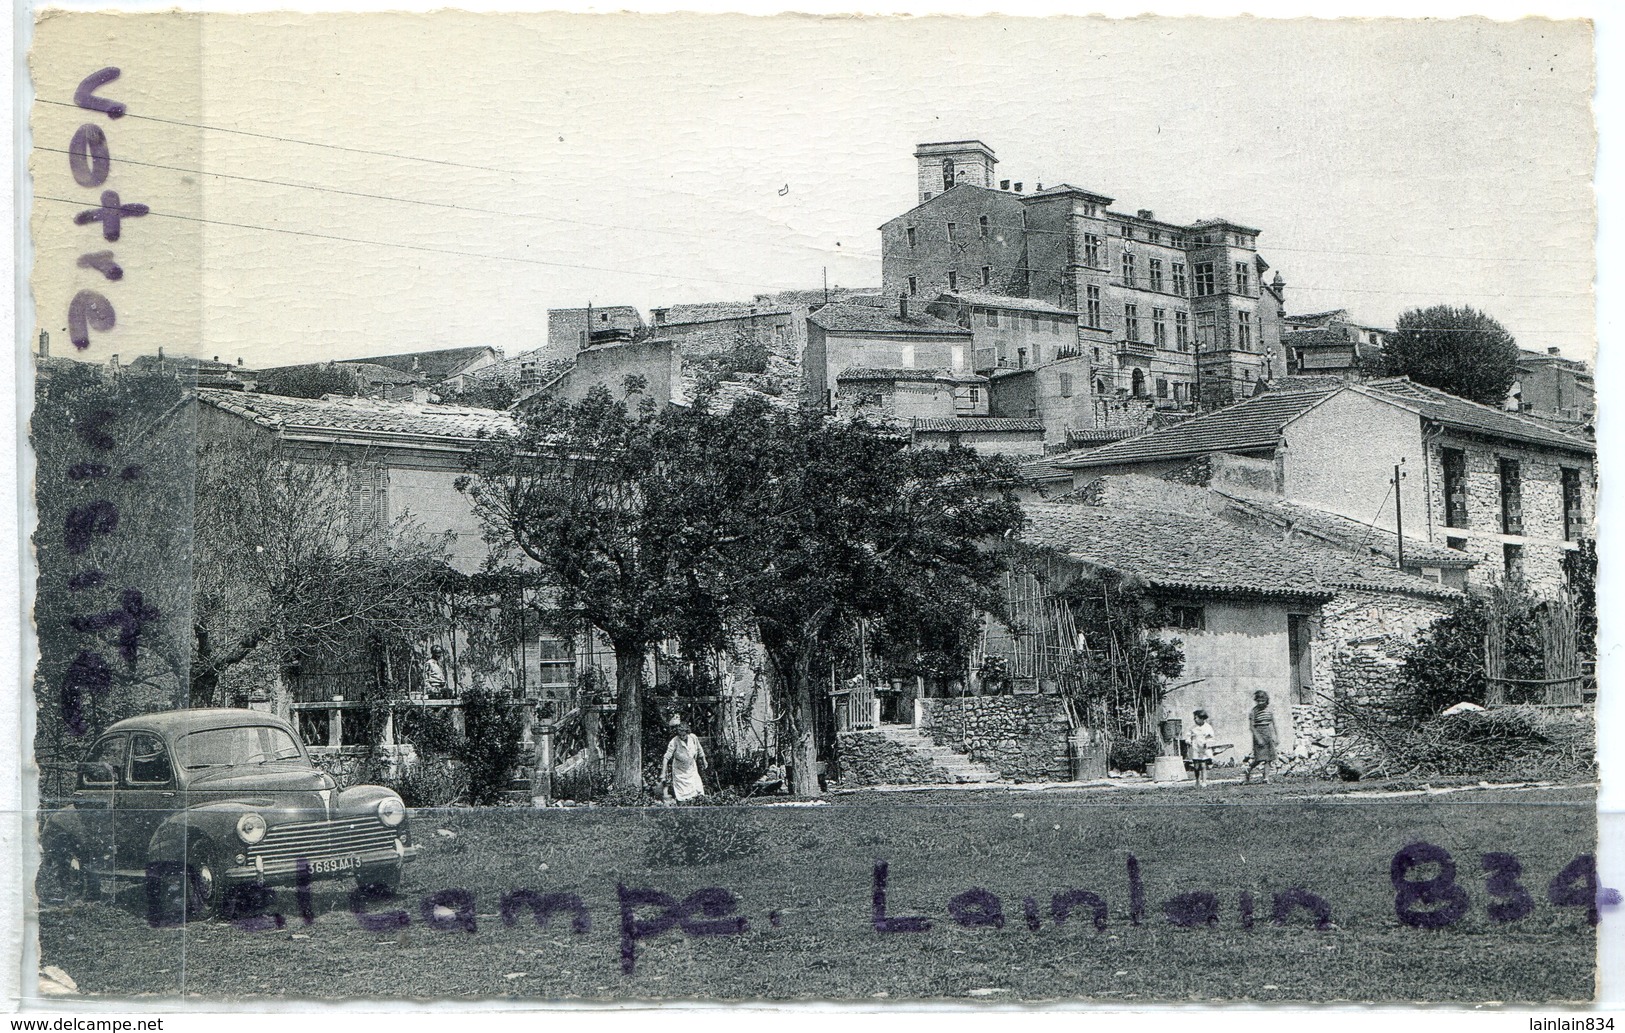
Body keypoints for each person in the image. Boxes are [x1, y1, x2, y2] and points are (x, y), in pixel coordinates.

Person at [660, 717, 708, 803]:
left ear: (687, 733)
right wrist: (663, 773)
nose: (682, 737)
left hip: (692, 768)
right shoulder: (674, 741)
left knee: (698, 789)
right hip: (680, 771)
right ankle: (683, 807)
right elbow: (666, 757)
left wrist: (704, 760)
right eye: (680, 735)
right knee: (683, 795)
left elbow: (700, 749)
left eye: (684, 735)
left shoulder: (693, 738)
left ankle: (698, 806)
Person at [1245, 690, 1278, 784]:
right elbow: (1251, 726)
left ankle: (1266, 778)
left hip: (1268, 733)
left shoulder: (1269, 710)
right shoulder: (1253, 711)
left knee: (1269, 758)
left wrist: (1276, 736)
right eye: (1258, 701)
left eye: (1262, 700)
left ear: (1266, 700)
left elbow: (1273, 724)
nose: (1260, 703)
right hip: (1258, 733)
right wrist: (1258, 737)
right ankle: (1248, 769)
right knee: (1259, 758)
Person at [1186, 709, 1216, 788]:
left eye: (1196, 718)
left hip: (1204, 748)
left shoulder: (1208, 727)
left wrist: (1208, 743)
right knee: (1196, 767)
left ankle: (1204, 781)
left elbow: (1211, 737)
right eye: (1194, 718)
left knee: (1203, 765)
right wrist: (1188, 740)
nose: (1194, 720)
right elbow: (1188, 735)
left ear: (1202, 718)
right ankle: (1197, 780)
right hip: (1196, 748)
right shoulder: (1193, 728)